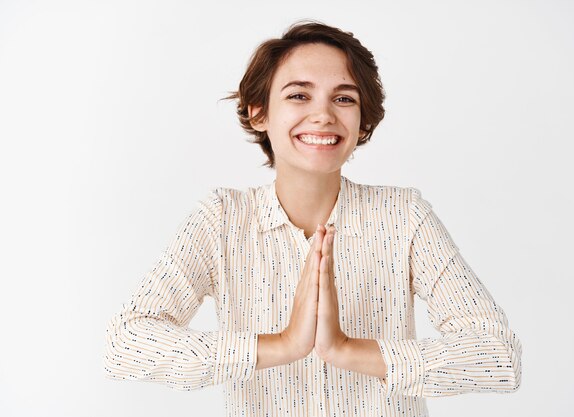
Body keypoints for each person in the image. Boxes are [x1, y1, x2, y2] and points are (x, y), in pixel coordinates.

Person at [102, 19, 522, 416]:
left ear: (362, 122)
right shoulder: (222, 220)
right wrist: (281, 345)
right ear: (259, 113)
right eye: (299, 95)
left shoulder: (404, 216)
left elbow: (498, 355)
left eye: (343, 98)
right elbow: (126, 343)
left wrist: (345, 349)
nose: (323, 115)